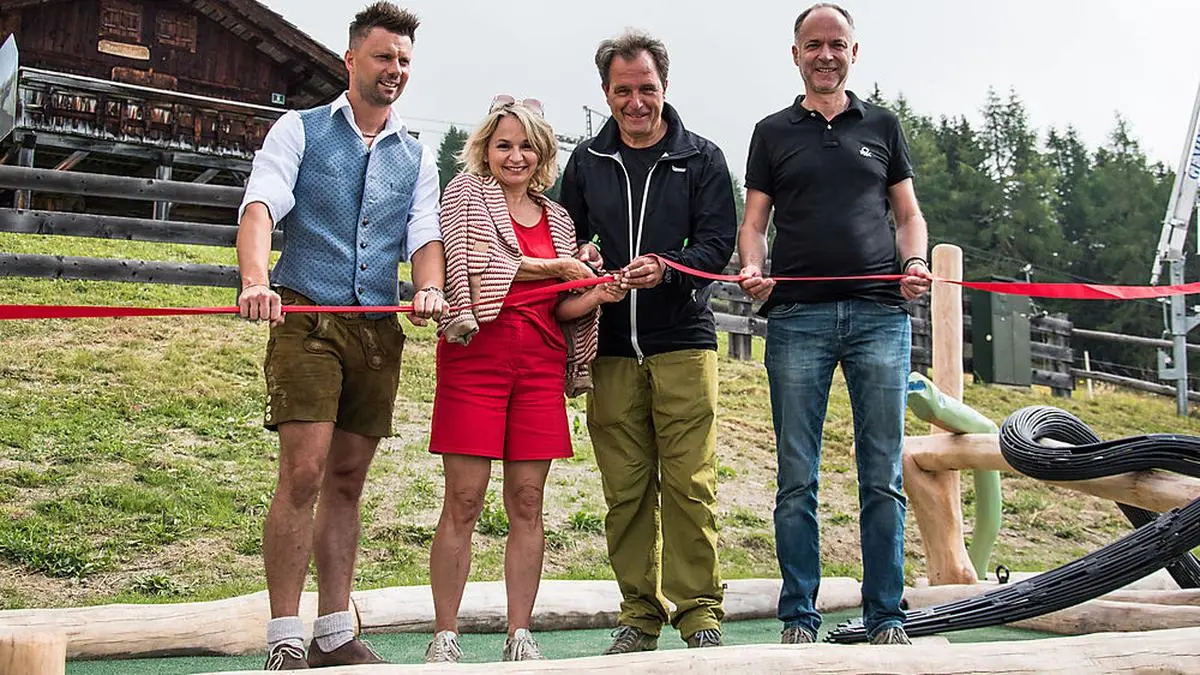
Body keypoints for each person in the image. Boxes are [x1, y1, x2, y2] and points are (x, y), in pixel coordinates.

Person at [234, 2, 448, 669]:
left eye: (405, 62)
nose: (395, 71)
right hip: (304, 317)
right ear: (350, 59)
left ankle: (332, 632)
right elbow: (261, 203)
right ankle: (284, 638)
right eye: (383, 57)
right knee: (303, 472)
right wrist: (252, 280)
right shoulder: (298, 130)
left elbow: (425, 235)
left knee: (349, 479)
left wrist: (430, 287)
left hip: (377, 329)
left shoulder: (415, 154)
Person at [737, 2, 934, 647]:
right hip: (797, 319)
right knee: (798, 475)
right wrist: (754, 268)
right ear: (794, 54)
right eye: (813, 44)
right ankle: (799, 618)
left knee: (881, 473)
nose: (826, 53)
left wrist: (913, 261)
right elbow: (753, 223)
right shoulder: (771, 132)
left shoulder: (882, 124)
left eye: (837, 43)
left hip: (881, 316)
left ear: (855, 53)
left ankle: (886, 617)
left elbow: (907, 213)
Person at [424, 95, 622, 664]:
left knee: (528, 501)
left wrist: (595, 293)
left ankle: (519, 632)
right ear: (485, 149)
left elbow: (557, 306)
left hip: (537, 366)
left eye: (526, 145)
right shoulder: (465, 195)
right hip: (475, 359)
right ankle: (445, 634)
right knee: (463, 498)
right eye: (503, 144)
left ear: (543, 153)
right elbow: (483, 262)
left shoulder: (558, 219)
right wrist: (560, 268)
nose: (515, 156)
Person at [560, 29, 737, 653]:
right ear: (606, 92)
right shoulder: (585, 162)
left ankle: (698, 614)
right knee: (626, 490)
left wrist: (668, 268)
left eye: (648, 89)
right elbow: (565, 239)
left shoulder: (704, 159)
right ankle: (638, 615)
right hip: (607, 348)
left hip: (684, 342)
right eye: (623, 90)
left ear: (665, 86)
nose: (636, 102)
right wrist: (578, 255)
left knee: (691, 483)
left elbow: (719, 247)